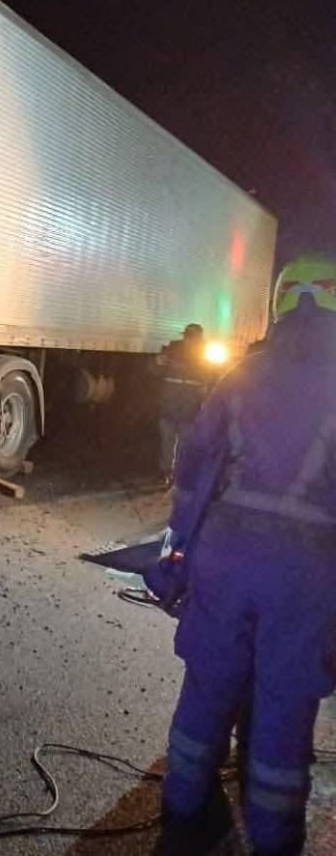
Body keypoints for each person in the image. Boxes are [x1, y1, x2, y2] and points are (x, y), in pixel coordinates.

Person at [158, 252, 336, 855]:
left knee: (208, 684)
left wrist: (177, 546)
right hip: (306, 572)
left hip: (226, 557)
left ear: (280, 303)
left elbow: (195, 468)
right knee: (284, 705)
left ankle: (182, 808)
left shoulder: (243, 374)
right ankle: (273, 838)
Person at [153, 323, 212, 484]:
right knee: (168, 441)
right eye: (188, 337)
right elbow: (154, 371)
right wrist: (157, 362)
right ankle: (167, 472)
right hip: (171, 405)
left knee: (183, 443)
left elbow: (209, 383)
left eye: (194, 338)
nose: (190, 341)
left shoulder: (204, 356)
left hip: (188, 408)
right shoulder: (171, 350)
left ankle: (177, 473)